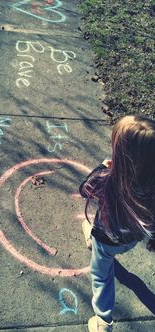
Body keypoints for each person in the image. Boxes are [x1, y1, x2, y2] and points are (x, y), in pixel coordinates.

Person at [79, 115, 155, 332]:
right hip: (130, 239)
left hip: (106, 240)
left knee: (102, 276)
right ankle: (92, 240)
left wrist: (100, 167)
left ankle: (103, 320)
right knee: (106, 248)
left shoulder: (107, 178)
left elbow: (84, 189)